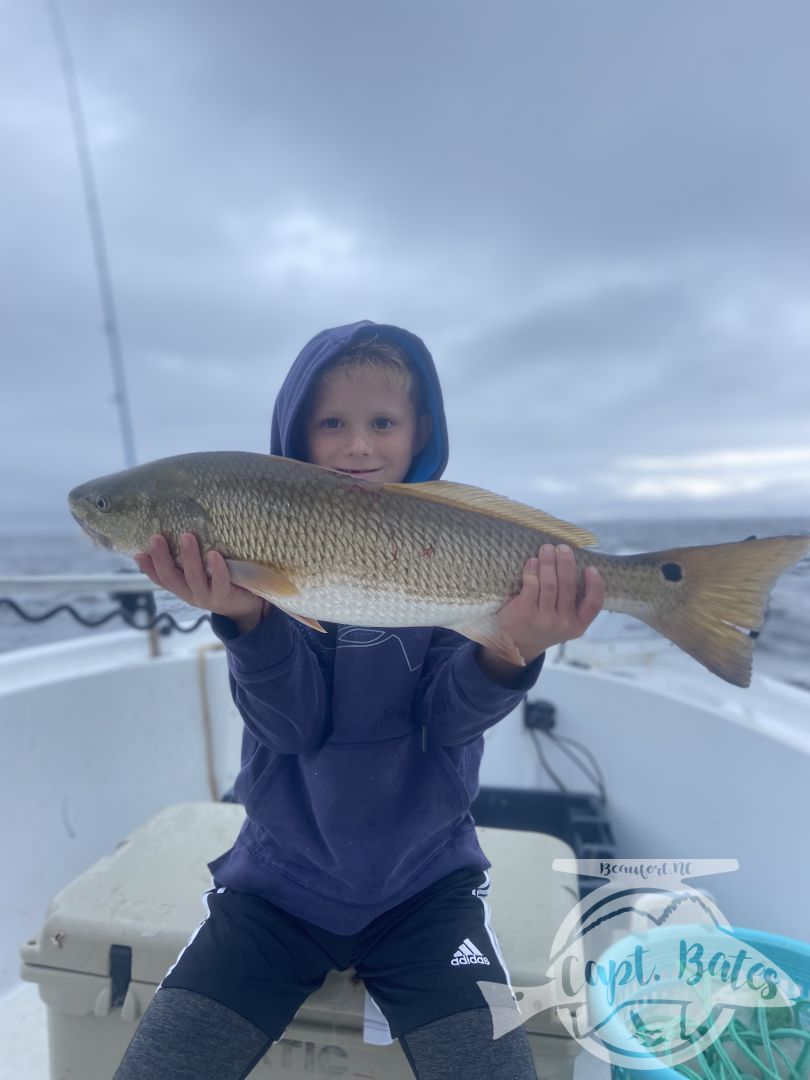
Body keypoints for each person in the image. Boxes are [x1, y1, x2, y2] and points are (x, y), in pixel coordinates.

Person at [115, 320, 605, 1080]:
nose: (357, 446)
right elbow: (290, 726)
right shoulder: (264, 551)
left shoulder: (454, 545)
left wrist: (515, 644)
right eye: (332, 423)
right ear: (297, 435)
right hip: (276, 890)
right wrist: (245, 618)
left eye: (382, 422)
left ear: (421, 433)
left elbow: (447, 723)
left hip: (427, 893)